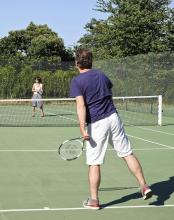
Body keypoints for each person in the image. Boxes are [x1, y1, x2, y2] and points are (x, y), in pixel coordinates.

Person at [70, 49, 152, 210]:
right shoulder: (102, 76)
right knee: (127, 153)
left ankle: (93, 201)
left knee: (94, 163)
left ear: (76, 63)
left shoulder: (77, 81)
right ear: (91, 61)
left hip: (97, 123)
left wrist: (82, 128)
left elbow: (81, 106)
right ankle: (144, 186)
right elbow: (110, 95)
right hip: (113, 118)